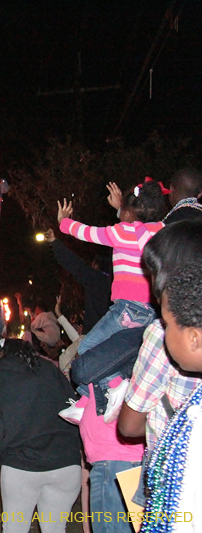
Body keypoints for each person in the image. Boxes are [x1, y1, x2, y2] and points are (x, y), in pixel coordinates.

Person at [0, 334, 82, 533]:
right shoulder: (47, 368)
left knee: (15, 528)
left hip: (24, 465)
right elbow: (75, 411)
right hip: (66, 465)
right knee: (55, 528)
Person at [57, 181, 168, 421]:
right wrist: (122, 209)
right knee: (110, 354)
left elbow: (86, 232)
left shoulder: (121, 232)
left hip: (126, 309)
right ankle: (88, 400)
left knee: (87, 350)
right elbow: (135, 224)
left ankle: (116, 385)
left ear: (128, 211)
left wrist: (63, 222)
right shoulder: (159, 230)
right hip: (149, 312)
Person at [117, 219, 202, 509]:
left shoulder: (162, 334)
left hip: (172, 483)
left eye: (155, 272)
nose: (151, 282)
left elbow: (128, 425)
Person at [46, 228, 112, 333]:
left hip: (96, 338)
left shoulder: (97, 280)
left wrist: (55, 242)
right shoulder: (116, 283)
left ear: (95, 265)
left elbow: (76, 265)